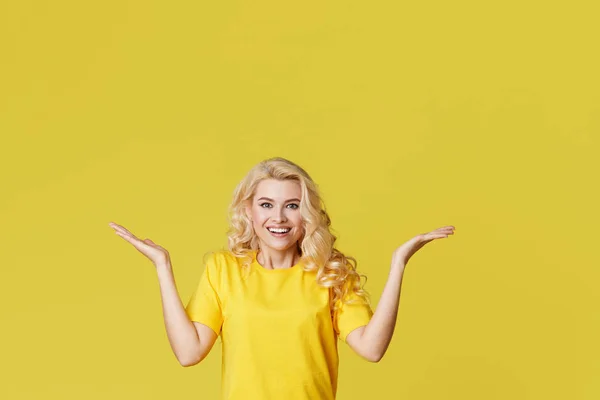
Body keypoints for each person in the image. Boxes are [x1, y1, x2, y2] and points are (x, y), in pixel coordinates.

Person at [108, 157, 455, 400]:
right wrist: (162, 266)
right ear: (248, 210)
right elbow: (188, 352)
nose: (279, 217)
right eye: (266, 204)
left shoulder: (329, 273)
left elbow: (372, 348)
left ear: (306, 214)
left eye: (292, 205)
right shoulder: (223, 269)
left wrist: (399, 264)